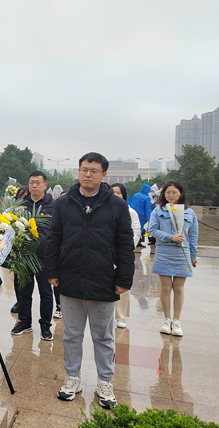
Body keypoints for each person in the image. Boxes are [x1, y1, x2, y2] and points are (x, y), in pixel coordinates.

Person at [45, 152, 135, 409]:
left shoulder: (116, 205)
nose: (87, 174)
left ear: (104, 174)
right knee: (71, 334)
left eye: (93, 170)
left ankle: (105, 382)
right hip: (69, 277)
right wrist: (52, 270)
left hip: (103, 279)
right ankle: (72, 378)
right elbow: (54, 239)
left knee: (103, 336)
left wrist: (124, 278)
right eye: (84, 169)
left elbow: (125, 244)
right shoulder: (64, 203)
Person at [148, 181, 198, 337]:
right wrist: (170, 237)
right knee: (165, 288)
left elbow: (193, 235)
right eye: (168, 192)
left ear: (181, 194)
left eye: (174, 192)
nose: (170, 195)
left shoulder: (190, 213)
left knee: (179, 288)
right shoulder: (158, 211)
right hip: (164, 253)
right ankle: (167, 319)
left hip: (182, 254)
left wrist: (193, 256)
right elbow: (153, 230)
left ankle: (177, 321)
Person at [11, 171, 56, 340]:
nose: (34, 186)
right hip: (24, 255)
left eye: (37, 182)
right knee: (24, 291)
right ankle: (24, 321)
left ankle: (45, 324)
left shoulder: (54, 205)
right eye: (31, 183)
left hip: (45, 256)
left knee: (46, 292)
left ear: (45, 185)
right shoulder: (21, 204)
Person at [111, 183, 142, 328]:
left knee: (122, 285)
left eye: (119, 193)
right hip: (106, 253)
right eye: (113, 192)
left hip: (122, 253)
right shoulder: (104, 210)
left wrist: (126, 248)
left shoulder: (131, 212)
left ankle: (121, 316)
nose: (116, 195)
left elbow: (136, 232)